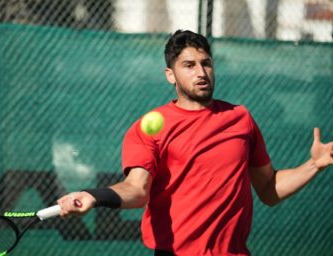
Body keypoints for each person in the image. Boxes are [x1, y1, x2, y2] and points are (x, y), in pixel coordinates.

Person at [57, 30, 333, 256]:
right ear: (170, 75)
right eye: (189, 66)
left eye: (206, 63)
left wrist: (314, 165)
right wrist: (95, 196)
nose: (201, 72)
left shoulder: (240, 119)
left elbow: (268, 189)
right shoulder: (149, 127)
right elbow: (137, 190)